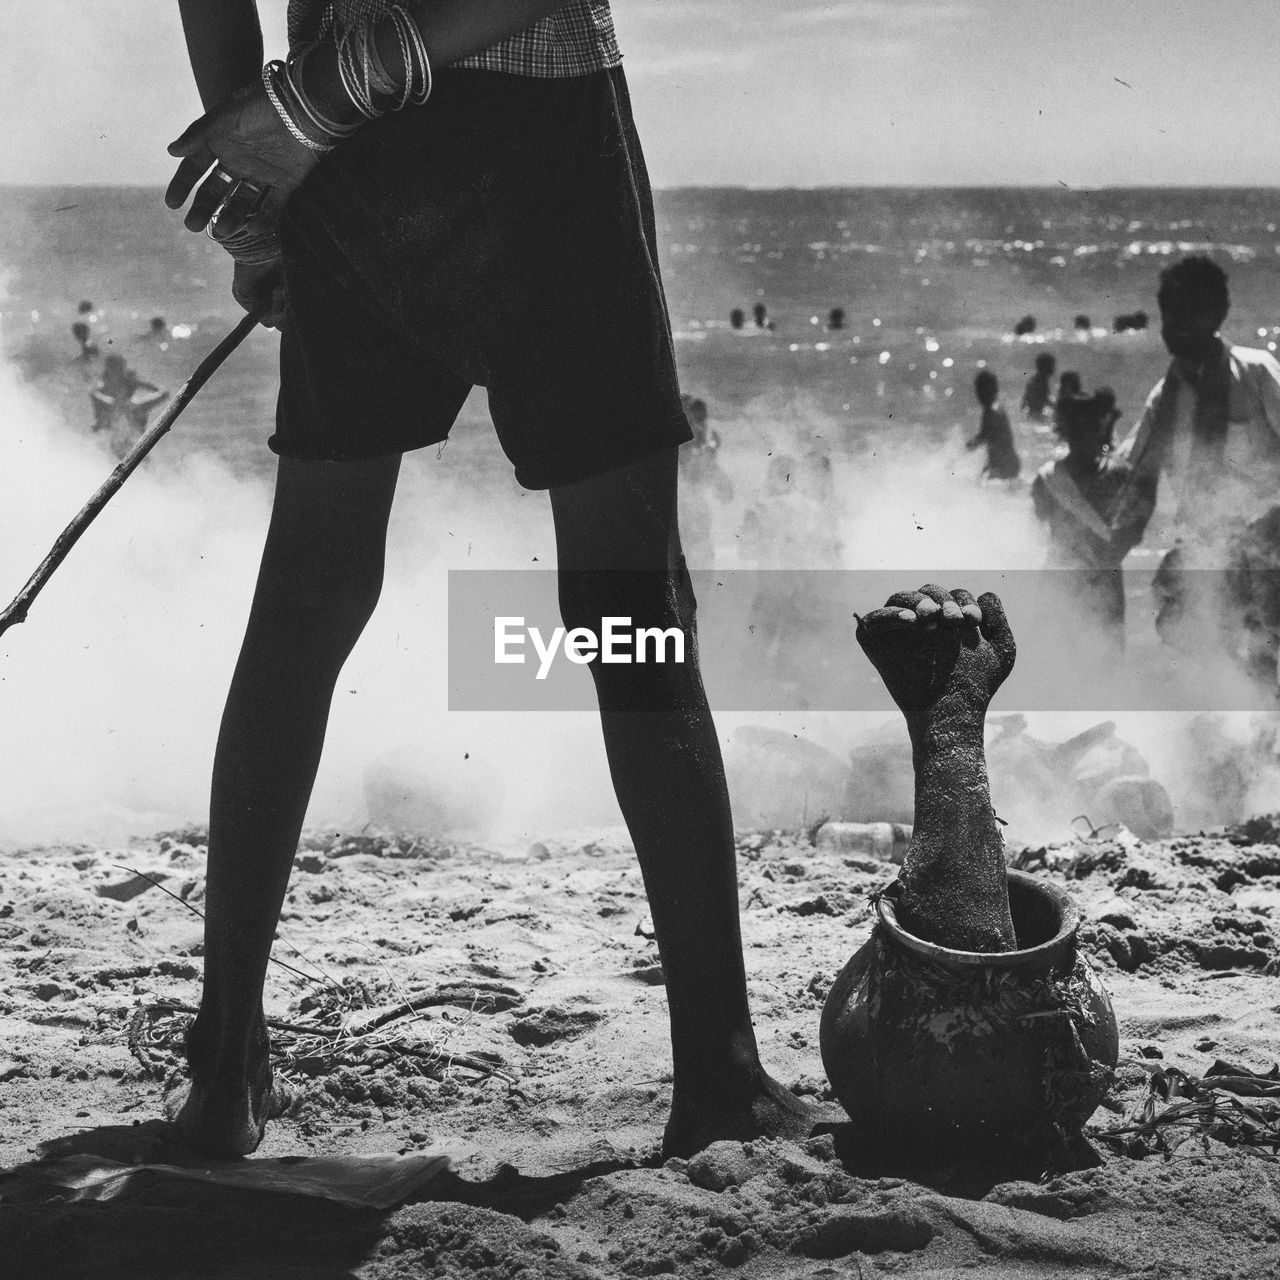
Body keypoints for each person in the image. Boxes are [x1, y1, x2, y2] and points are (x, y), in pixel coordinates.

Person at [163, 0, 819, 1161]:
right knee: (630, 601)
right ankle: (716, 1070)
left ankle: (224, 1062)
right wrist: (301, 116)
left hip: (342, 148)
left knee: (308, 592)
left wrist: (264, 159)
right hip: (533, 118)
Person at [1116, 256, 1280, 662]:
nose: (1173, 329)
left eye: (1187, 315)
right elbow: (1134, 478)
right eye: (1169, 316)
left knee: (1264, 647)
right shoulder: (1164, 400)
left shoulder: (1257, 374)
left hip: (1269, 544)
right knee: (1184, 630)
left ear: (1215, 315)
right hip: (1206, 548)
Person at [1031, 389, 1151, 652]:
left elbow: (1133, 528)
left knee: (1100, 667)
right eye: (1078, 429)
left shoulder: (1049, 479)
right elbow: (1135, 527)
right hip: (1081, 580)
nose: (1083, 436)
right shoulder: (1048, 480)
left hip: (1085, 579)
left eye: (1087, 428)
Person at [90, 354, 166, 453]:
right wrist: (139, 382)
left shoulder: (109, 403)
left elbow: (94, 394)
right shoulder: (138, 405)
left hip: (129, 451)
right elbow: (164, 393)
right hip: (133, 452)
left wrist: (137, 382)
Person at [966, 369, 1020, 481]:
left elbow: (988, 436)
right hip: (1005, 464)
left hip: (1005, 466)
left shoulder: (993, 412)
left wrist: (971, 445)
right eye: (979, 390)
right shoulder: (992, 409)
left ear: (994, 390)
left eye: (983, 390)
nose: (979, 394)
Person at [1020, 351, 1056, 420]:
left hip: (1032, 414)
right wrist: (1059, 407)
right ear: (1045, 367)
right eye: (1052, 366)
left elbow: (1024, 399)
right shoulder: (1040, 382)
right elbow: (1045, 399)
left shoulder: (1036, 379)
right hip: (1036, 415)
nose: (1054, 369)